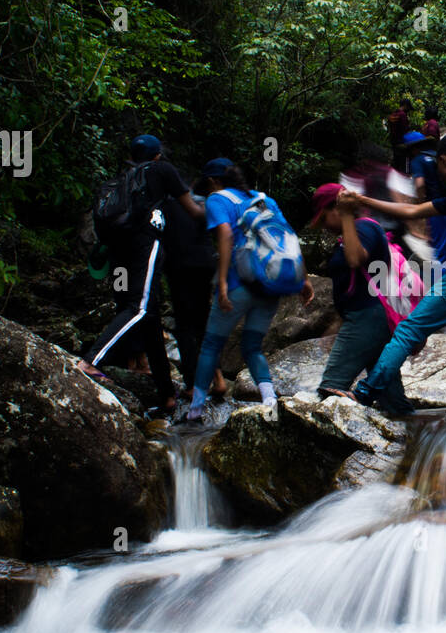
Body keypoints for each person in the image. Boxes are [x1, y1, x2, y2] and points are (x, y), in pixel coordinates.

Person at [348, 133, 446, 412]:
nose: (436, 170)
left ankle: (366, 392)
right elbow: (411, 211)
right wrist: (362, 200)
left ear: (445, 160)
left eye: (438, 164)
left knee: (408, 330)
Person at [80, 134, 204, 415]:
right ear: (157, 155)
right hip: (144, 244)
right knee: (140, 307)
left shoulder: (124, 177)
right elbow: (192, 210)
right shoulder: (161, 170)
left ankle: (167, 397)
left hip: (118, 250)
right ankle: (90, 361)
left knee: (149, 318)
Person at [185, 160, 314, 420]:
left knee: (211, 344)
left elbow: (225, 234)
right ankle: (270, 401)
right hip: (270, 285)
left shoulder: (217, 199)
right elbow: (288, 238)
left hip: (239, 284)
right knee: (252, 347)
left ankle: (195, 411)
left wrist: (221, 281)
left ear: (212, 181)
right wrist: (305, 278)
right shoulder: (264, 199)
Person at [309, 183, 413, 414]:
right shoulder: (355, 231)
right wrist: (338, 322)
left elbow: (356, 260)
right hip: (371, 319)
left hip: (368, 319)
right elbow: (354, 284)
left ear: (336, 209)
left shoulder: (363, 228)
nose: (324, 226)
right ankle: (412, 437)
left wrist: (346, 215)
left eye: (324, 218)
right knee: (392, 400)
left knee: (331, 386)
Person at [163, 176, 226, 400]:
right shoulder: (202, 202)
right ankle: (218, 379)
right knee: (203, 321)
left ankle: (192, 385)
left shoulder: (164, 203)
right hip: (205, 263)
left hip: (180, 266)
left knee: (185, 326)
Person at [403, 129, 446, 259]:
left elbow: (420, 184)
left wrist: (420, 205)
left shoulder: (417, 160)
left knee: (436, 248)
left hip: (433, 207)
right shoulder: (436, 156)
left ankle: (438, 276)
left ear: (412, 149)